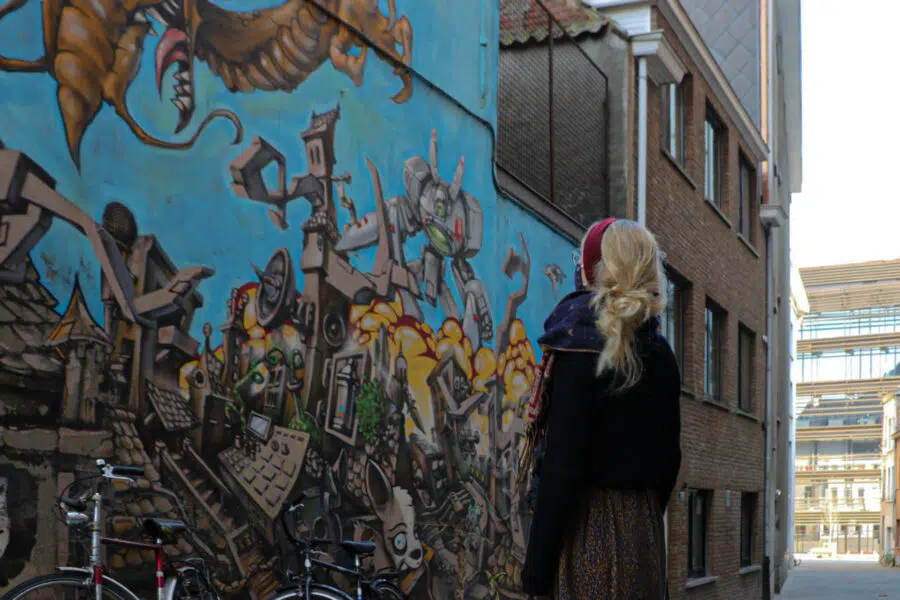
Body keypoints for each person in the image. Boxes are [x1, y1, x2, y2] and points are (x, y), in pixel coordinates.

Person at [519, 218, 682, 600]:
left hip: (587, 529)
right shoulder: (661, 352)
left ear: (597, 268)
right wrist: (639, 512)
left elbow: (563, 465)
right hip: (643, 533)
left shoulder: (578, 346)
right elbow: (669, 461)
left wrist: (537, 572)